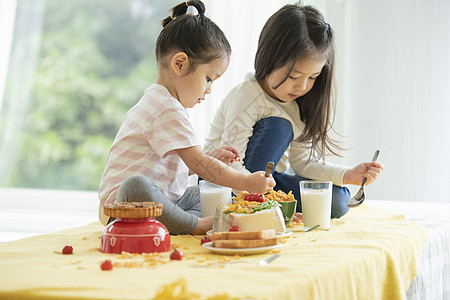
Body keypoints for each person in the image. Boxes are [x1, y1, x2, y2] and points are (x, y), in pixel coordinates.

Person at [98, 0, 275, 235]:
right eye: (209, 78)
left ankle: (177, 223)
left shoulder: (164, 103)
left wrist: (210, 158)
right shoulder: (165, 108)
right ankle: (195, 225)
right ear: (180, 64)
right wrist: (247, 183)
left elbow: (172, 167)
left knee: (208, 195)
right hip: (123, 205)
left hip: (164, 201)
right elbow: (198, 163)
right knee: (137, 185)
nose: (209, 89)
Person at [204, 4, 384, 218]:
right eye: (293, 76)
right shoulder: (247, 95)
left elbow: (301, 162)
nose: (302, 87)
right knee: (279, 127)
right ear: (269, 58)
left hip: (267, 181)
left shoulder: (298, 103)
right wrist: (264, 197)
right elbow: (232, 162)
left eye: (312, 77)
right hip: (224, 182)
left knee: (338, 200)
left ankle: (268, 206)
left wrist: (348, 175)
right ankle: (257, 208)